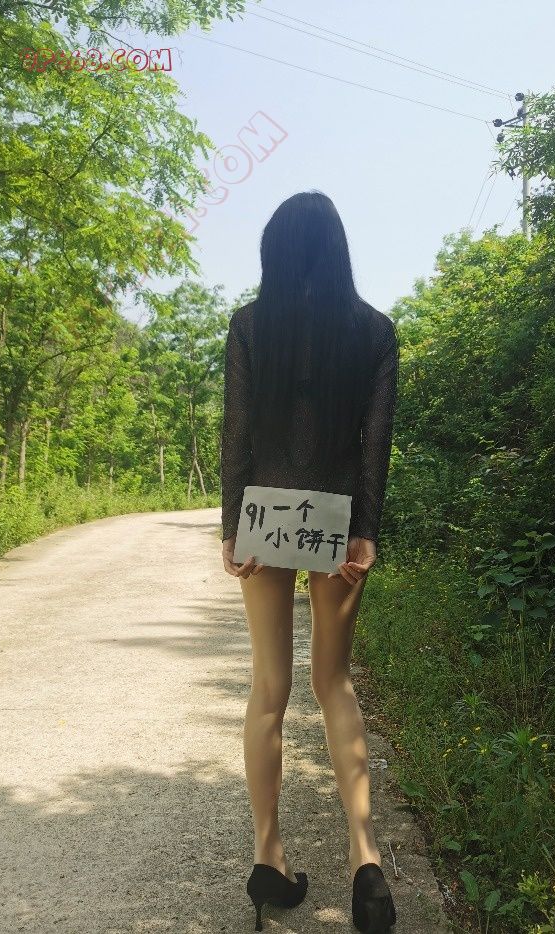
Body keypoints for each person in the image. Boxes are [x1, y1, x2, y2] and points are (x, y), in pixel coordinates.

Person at [220, 190, 399, 932]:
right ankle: (365, 859)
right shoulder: (374, 332)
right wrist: (365, 529)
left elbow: (235, 434)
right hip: (333, 520)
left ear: (274, 253)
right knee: (334, 683)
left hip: (266, 514)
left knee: (269, 687)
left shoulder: (250, 326)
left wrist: (232, 527)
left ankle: (269, 856)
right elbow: (374, 442)